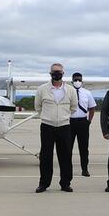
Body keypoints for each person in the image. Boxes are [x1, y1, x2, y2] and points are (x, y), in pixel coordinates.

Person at [34, 62, 78, 192]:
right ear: (50, 74)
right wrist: (48, 116)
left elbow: (73, 107)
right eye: (54, 72)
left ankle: (65, 183)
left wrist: (63, 116)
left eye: (59, 72)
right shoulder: (42, 89)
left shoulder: (70, 90)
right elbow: (38, 107)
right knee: (46, 156)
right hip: (47, 126)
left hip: (64, 126)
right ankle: (44, 183)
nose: (56, 74)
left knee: (65, 156)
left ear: (63, 74)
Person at [69, 72, 97, 177]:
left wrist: (89, 121)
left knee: (84, 148)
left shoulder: (87, 93)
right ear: (72, 81)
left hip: (82, 122)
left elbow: (92, 107)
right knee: (67, 147)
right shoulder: (67, 92)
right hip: (69, 122)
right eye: (75, 80)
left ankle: (85, 169)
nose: (77, 81)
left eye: (79, 80)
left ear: (82, 81)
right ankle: (68, 169)